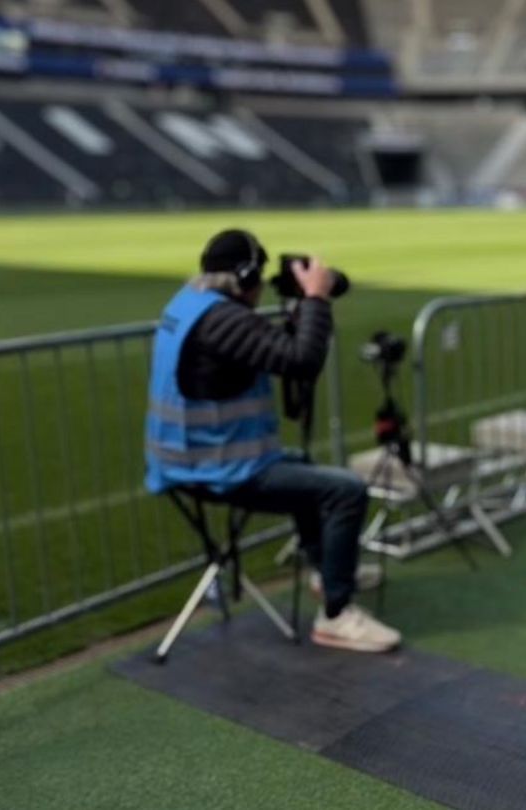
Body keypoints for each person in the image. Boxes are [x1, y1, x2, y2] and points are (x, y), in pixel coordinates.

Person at [144, 228, 401, 652]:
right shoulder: (223, 319)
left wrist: (301, 311)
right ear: (244, 278)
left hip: (192, 459)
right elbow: (301, 361)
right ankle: (336, 614)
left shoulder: (190, 304)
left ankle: (328, 572)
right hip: (217, 470)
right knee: (346, 490)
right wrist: (316, 297)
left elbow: (256, 354)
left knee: (302, 464)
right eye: (259, 279)